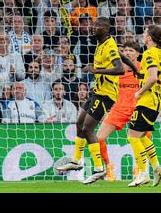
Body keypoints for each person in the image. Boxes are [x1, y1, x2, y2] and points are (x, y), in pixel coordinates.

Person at [56, 17, 138, 184]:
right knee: (79, 124)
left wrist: (96, 69)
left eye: (99, 25)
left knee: (87, 129)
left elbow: (120, 69)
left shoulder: (108, 45)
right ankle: (76, 161)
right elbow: (123, 57)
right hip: (97, 91)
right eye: (94, 25)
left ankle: (99, 169)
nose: (94, 27)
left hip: (106, 94)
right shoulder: (105, 44)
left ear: (107, 29)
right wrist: (136, 69)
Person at [96, 41, 141, 182]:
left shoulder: (143, 67)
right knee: (99, 138)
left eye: (131, 51)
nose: (128, 53)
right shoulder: (115, 68)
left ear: (137, 54)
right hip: (119, 108)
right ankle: (108, 167)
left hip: (137, 108)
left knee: (145, 137)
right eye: (126, 50)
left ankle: (138, 169)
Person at [126, 25, 161, 187]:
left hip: (147, 100)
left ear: (149, 38)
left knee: (132, 135)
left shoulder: (149, 53)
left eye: (145, 33)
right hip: (154, 100)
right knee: (141, 136)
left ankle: (143, 173)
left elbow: (153, 77)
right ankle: (157, 168)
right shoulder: (159, 53)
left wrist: (140, 92)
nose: (142, 35)